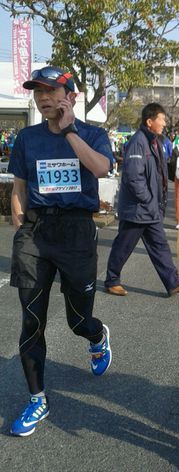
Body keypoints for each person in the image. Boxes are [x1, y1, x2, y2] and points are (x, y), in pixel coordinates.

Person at [8, 65, 114, 437]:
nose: (44, 98)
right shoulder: (27, 138)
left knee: (77, 319)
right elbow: (19, 185)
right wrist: (21, 224)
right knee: (31, 321)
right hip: (37, 234)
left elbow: (101, 169)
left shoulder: (94, 135)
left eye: (52, 91)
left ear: (71, 97)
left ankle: (97, 336)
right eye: (38, 92)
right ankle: (38, 399)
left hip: (77, 232)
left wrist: (69, 131)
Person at [104, 103, 179, 297]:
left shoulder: (155, 140)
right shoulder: (139, 141)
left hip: (149, 208)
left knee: (160, 245)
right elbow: (133, 177)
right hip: (138, 209)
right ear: (150, 121)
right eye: (161, 119)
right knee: (124, 245)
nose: (164, 123)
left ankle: (173, 283)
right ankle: (112, 280)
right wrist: (148, 199)